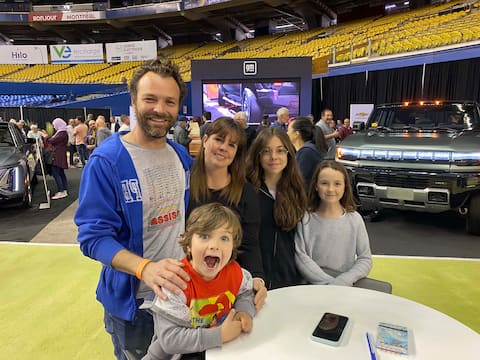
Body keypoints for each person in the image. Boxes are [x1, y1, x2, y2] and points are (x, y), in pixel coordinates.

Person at [74, 57, 193, 360]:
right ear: (133, 100)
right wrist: (145, 268)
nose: (159, 109)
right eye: (150, 99)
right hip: (136, 308)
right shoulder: (107, 161)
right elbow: (93, 239)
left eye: (169, 101)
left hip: (180, 297)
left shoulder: (180, 155)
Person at [142, 203, 255, 359]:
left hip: (214, 352)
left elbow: (245, 292)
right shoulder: (175, 283)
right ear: (188, 245)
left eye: (224, 238)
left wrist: (244, 311)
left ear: (233, 246)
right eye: (204, 236)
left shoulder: (234, 273)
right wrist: (219, 335)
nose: (214, 245)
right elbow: (169, 340)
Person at [188, 116, 267, 308]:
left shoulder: (245, 192)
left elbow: (249, 244)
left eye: (232, 145)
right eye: (219, 139)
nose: (224, 147)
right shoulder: (184, 182)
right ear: (205, 140)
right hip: (188, 284)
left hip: (228, 286)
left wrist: (257, 277)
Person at [295, 160, 372, 286]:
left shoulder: (355, 219)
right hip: (312, 288)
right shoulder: (305, 219)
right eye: (324, 183)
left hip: (344, 288)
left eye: (337, 184)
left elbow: (365, 259)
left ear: (345, 187)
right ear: (315, 185)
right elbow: (301, 257)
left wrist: (345, 280)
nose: (330, 189)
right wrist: (329, 284)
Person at [246, 128, 307, 289]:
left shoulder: (297, 190)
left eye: (280, 150)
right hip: (252, 281)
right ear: (257, 155)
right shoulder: (246, 191)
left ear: (288, 153)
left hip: (289, 280)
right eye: (266, 151)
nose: (274, 157)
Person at [287, 117, 327, 190]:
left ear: (296, 134)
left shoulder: (306, 152)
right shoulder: (308, 149)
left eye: (288, 130)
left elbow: (298, 181)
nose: (287, 133)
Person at [40, 118, 69, 199]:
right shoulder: (61, 132)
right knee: (60, 173)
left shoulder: (62, 133)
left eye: (54, 125)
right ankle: (63, 189)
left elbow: (52, 140)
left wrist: (45, 136)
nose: (54, 127)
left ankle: (61, 191)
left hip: (57, 156)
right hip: (59, 155)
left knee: (56, 173)